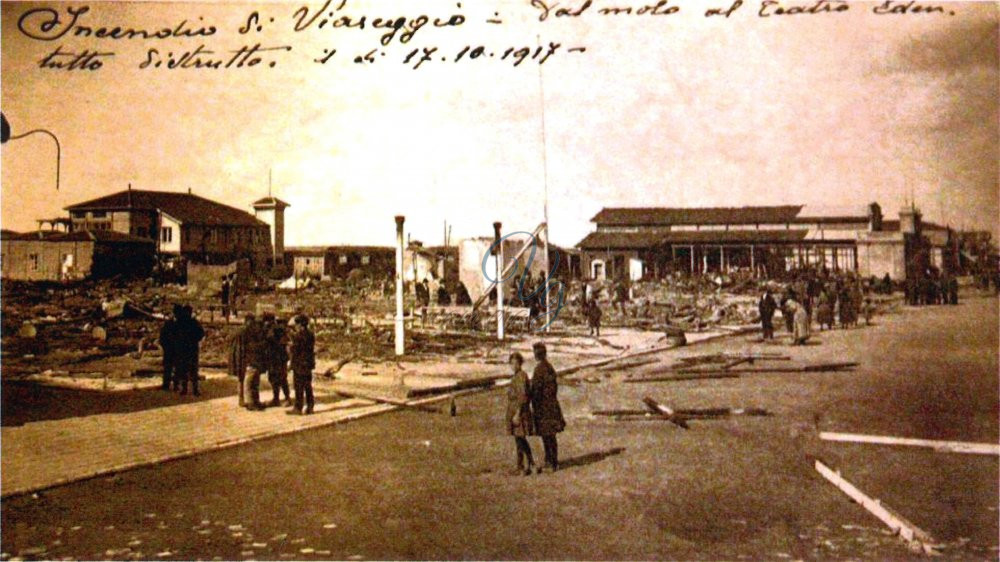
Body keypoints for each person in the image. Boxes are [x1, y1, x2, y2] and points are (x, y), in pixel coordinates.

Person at [529, 343, 565, 473]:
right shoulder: (549, 367)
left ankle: (550, 462)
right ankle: (553, 461)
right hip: (552, 405)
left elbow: (536, 389)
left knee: (546, 435)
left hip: (543, 407)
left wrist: (531, 398)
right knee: (551, 435)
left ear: (536, 355)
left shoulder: (539, 369)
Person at [505, 352, 535, 476]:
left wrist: (517, 414)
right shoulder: (517, 376)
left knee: (520, 440)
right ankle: (528, 464)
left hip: (520, 412)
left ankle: (523, 466)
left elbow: (523, 397)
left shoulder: (521, 377)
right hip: (516, 411)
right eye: (511, 363)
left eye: (515, 363)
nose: (513, 365)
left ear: (520, 364)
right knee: (520, 440)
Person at [174, 305, 205, 396]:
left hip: (183, 348)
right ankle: (194, 390)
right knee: (193, 370)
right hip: (192, 348)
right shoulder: (193, 322)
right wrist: (195, 340)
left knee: (184, 369)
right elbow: (201, 333)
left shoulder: (180, 322)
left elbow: (174, 334)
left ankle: (185, 389)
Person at [288, 314, 316, 415]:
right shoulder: (310, 334)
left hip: (299, 364)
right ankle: (310, 406)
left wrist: (291, 344)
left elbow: (295, 350)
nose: (295, 326)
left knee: (299, 386)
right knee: (308, 386)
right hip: (308, 364)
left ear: (300, 325)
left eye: (296, 324)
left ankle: (298, 407)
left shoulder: (299, 336)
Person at [243, 312, 270, 411]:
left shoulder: (257, 329)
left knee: (255, 381)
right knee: (250, 380)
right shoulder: (254, 331)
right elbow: (255, 345)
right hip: (253, 358)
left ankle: (255, 401)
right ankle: (250, 402)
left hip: (255, 358)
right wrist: (265, 343)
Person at [228, 313, 254, 407]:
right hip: (243, 355)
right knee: (244, 378)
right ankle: (246, 399)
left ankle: (241, 399)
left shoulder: (237, 330)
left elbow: (229, 339)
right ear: (248, 321)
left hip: (237, 355)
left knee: (241, 378)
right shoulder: (247, 331)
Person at [266, 316, 292, 407]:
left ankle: (285, 398)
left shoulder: (276, 330)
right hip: (275, 358)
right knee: (276, 379)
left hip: (278, 358)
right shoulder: (277, 330)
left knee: (280, 379)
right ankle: (277, 398)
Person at [159, 304, 181, 391]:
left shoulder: (169, 324)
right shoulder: (180, 324)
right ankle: (171, 384)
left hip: (172, 348)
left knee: (170, 367)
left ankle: (169, 384)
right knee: (174, 367)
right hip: (173, 348)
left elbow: (162, 337)